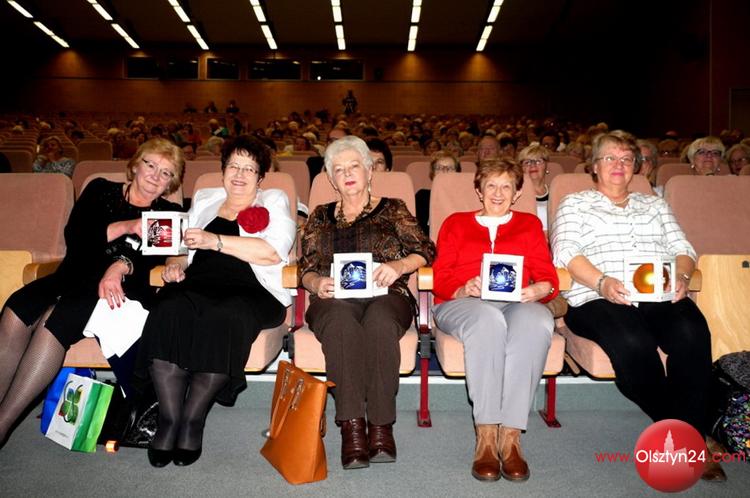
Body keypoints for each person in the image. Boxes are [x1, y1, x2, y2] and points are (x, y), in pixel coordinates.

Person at [550, 130, 724, 481]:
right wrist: (602, 281)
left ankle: (686, 433)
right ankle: (690, 436)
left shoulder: (654, 204)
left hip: (659, 293)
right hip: (598, 296)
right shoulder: (576, 203)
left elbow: (683, 249)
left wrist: (682, 277)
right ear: (594, 166)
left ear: (636, 167)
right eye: (610, 158)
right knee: (633, 343)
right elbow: (566, 252)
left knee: (692, 332)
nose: (619, 165)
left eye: (626, 159)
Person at [0, 138, 185, 445]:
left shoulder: (167, 212)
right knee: (15, 311)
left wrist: (123, 266)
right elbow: (76, 237)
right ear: (135, 166)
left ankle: (3, 423)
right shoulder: (100, 189)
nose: (155, 176)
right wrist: (127, 226)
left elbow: (156, 258)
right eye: (151, 165)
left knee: (53, 322)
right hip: (70, 274)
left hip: (116, 289)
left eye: (166, 172)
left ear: (171, 182)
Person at [137, 135, 295, 468]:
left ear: (260, 177)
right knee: (168, 308)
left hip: (252, 289)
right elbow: (184, 248)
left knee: (225, 317)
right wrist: (175, 265)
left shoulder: (273, 200)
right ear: (222, 170)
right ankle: (169, 419)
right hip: (199, 282)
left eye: (249, 168)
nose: (239, 174)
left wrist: (216, 241)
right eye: (233, 166)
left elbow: (272, 253)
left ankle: (193, 421)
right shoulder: (206, 197)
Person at [299, 136, 434, 470]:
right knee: (341, 323)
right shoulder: (319, 216)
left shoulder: (393, 208)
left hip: (387, 295)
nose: (347, 174)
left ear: (370, 170)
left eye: (354, 166)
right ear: (331, 179)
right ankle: (353, 427)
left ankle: (381, 425)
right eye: (338, 169)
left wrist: (399, 266)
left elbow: (426, 249)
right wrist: (317, 283)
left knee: (379, 323)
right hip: (334, 299)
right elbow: (306, 268)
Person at [432, 159, 558, 482]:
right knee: (487, 319)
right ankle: (486, 437)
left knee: (538, 321)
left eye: (506, 187)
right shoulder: (455, 223)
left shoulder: (529, 225)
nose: (498, 193)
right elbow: (440, 276)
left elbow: (548, 276)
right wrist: (463, 287)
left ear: (517, 193)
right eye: (491, 185)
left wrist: (540, 288)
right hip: (463, 303)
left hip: (516, 302)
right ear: (479, 190)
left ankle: (511, 438)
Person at [415, 151, 461, 235]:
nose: (445, 171)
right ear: (433, 174)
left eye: (450, 168)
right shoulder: (422, 197)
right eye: (439, 168)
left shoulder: (464, 198)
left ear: (457, 173)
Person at [517, 144, 551, 230]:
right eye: (527, 162)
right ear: (521, 169)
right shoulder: (515, 195)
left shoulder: (556, 192)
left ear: (546, 166)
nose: (533, 165)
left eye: (538, 161)